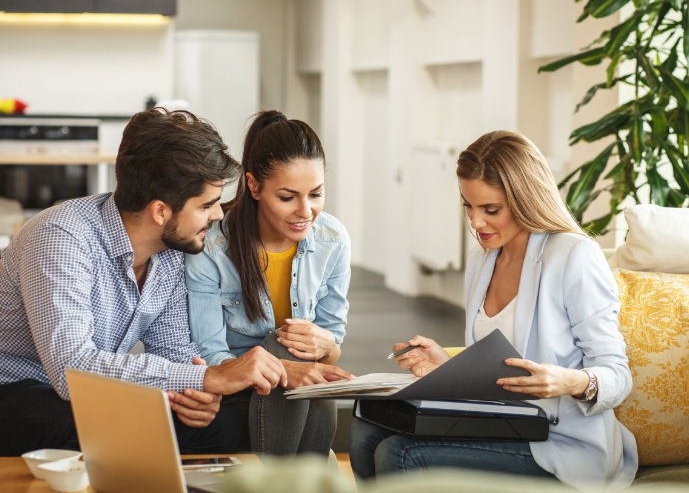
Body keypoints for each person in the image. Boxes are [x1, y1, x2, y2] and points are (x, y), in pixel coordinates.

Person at [350, 130, 638, 488]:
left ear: (525, 199)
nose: (475, 222)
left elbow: (618, 376)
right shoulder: (483, 260)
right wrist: (447, 364)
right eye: (468, 205)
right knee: (365, 432)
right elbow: (498, 368)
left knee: (400, 453)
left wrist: (570, 381)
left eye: (491, 210)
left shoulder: (573, 256)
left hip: (562, 444)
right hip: (504, 426)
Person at [0, 108, 287, 456]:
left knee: (223, 425)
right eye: (207, 204)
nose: (216, 215)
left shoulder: (169, 252)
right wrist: (207, 378)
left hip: (92, 396)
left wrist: (195, 396)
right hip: (17, 389)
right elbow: (70, 369)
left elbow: (174, 351)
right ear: (161, 211)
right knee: (107, 424)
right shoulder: (61, 236)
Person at [185, 110, 353, 458]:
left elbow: (331, 347)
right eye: (288, 197)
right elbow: (210, 355)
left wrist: (325, 345)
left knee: (310, 381)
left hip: (299, 393)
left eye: (316, 194)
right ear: (254, 186)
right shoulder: (212, 247)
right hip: (236, 389)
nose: (305, 211)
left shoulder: (333, 240)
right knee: (281, 347)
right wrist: (283, 368)